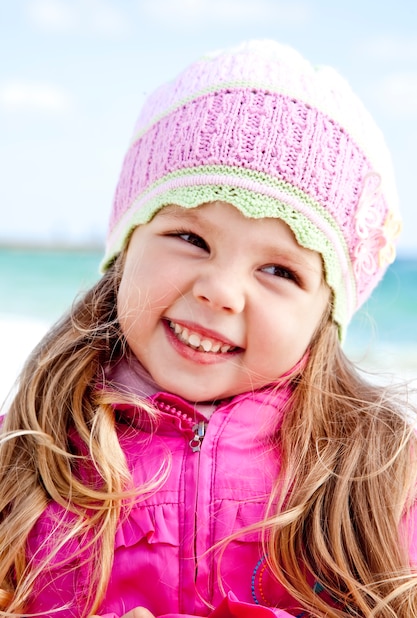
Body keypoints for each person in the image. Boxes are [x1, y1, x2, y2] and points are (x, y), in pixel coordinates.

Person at [0, 39, 416, 618]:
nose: (219, 290)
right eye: (191, 238)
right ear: (127, 245)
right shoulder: (26, 450)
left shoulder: (378, 479)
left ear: (325, 312)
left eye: (278, 270)